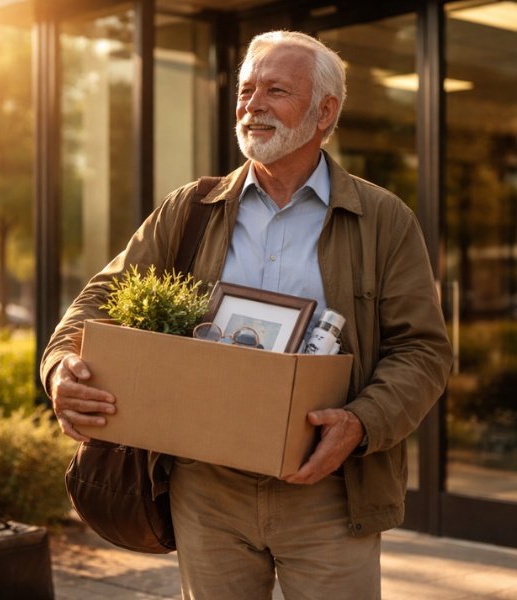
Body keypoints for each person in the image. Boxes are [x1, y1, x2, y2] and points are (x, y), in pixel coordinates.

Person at [41, 30, 452, 600]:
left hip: (331, 493)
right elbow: (98, 300)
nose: (252, 105)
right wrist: (60, 364)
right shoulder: (191, 209)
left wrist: (360, 423)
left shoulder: (384, 219)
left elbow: (424, 351)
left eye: (276, 90)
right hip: (205, 492)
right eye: (246, 89)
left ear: (324, 111)